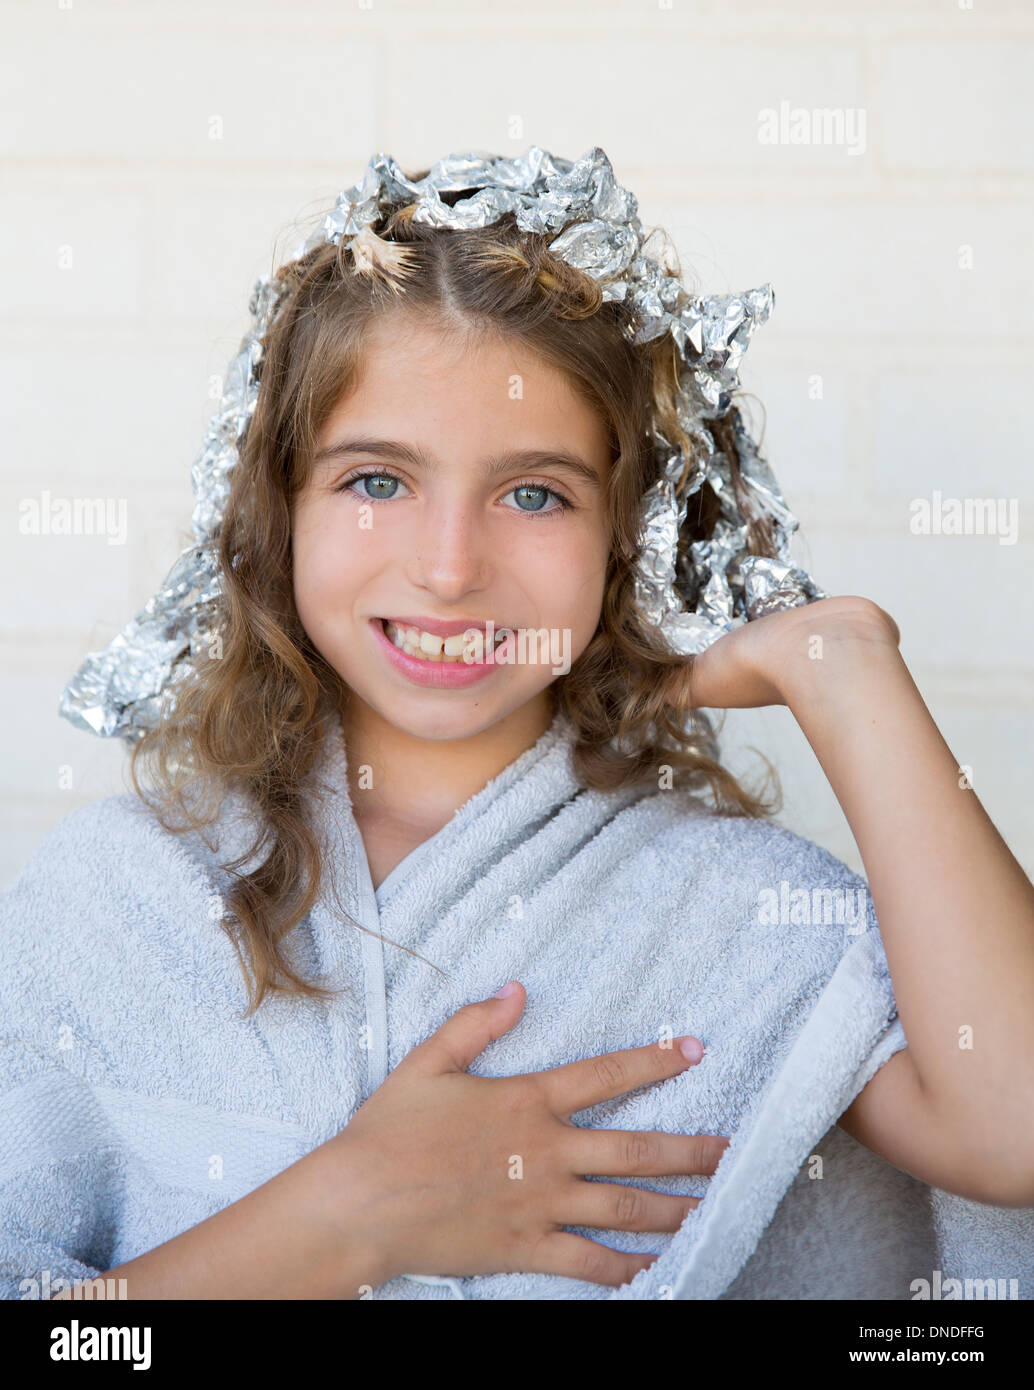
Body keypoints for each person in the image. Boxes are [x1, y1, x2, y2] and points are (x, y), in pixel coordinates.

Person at [3, 153, 1034, 1302]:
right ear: (277, 504)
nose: (448, 569)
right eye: (376, 481)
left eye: (532, 493)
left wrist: (847, 678)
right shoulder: (112, 901)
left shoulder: (736, 911)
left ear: (621, 535)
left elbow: (1014, 1129)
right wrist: (352, 1212)